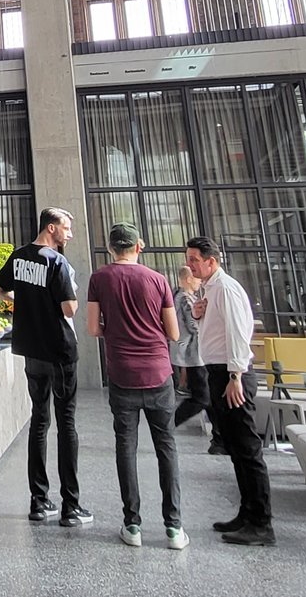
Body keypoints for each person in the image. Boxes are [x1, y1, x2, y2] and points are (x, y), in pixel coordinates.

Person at [86, 224, 186, 550]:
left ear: (110, 248)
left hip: (122, 375)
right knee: (166, 448)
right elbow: (173, 333)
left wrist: (116, 329)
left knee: (125, 448)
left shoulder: (100, 279)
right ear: (138, 246)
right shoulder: (157, 280)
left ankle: (132, 525)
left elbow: (93, 328)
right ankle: (174, 528)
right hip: (159, 373)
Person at [0, 206, 88, 527]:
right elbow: (70, 309)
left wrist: (21, 304)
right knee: (67, 424)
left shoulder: (18, 257)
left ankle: (38, 501)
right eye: (66, 228)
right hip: (59, 350)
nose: (69, 234)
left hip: (31, 350)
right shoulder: (57, 262)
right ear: (51, 228)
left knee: (39, 423)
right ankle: (71, 507)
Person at [185, 236, 274, 547]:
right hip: (219, 371)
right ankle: (247, 513)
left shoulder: (225, 288)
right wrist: (198, 314)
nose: (191, 264)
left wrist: (236, 374)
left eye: (195, 259)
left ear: (212, 261)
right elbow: (215, 330)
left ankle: (262, 523)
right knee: (235, 448)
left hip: (232, 374)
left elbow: (238, 332)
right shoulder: (209, 289)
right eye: (190, 259)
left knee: (247, 449)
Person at [171, 265, 218, 452]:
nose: (199, 280)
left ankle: (219, 438)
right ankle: (169, 423)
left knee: (208, 397)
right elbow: (194, 324)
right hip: (193, 354)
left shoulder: (182, 297)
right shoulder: (185, 298)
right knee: (202, 397)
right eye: (196, 278)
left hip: (194, 354)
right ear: (188, 279)